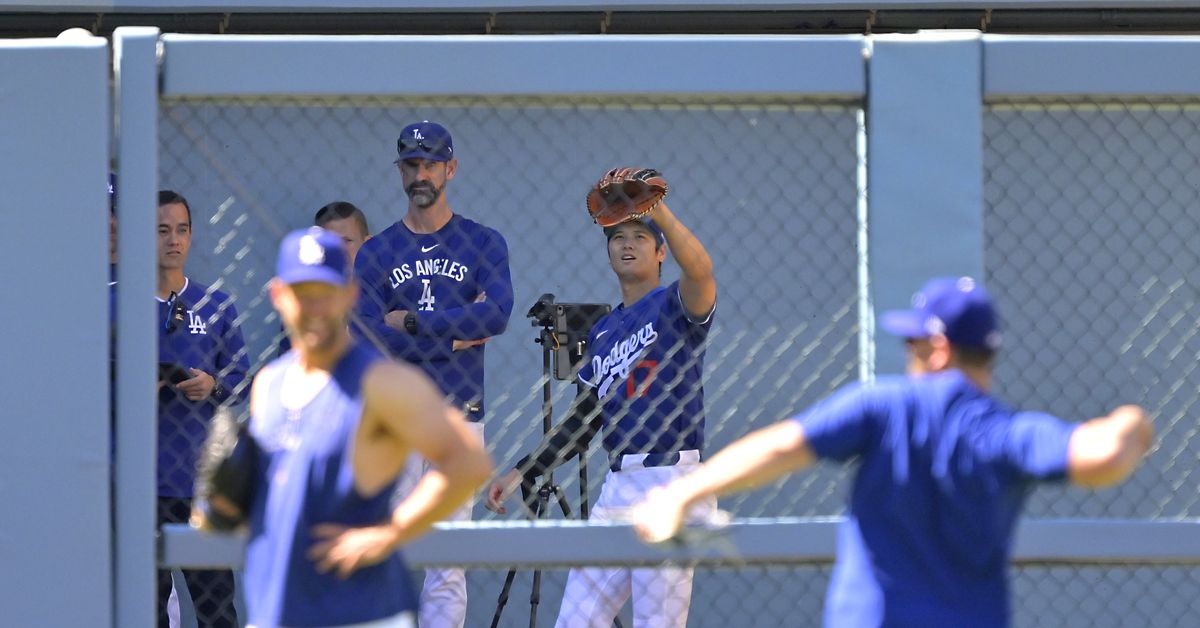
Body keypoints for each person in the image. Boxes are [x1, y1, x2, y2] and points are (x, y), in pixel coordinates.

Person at [633, 276, 1155, 628]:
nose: (907, 355)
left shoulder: (881, 405)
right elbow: (1104, 457)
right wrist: (1131, 422)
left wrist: (683, 494)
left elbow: (780, 446)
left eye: (912, 344)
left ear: (939, 349)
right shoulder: (1006, 431)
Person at [196, 227, 492, 628]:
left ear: (350, 295)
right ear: (278, 296)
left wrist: (389, 534)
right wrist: (226, 509)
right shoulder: (269, 385)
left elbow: (469, 461)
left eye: (327, 291)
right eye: (303, 292)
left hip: (361, 613)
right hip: (278, 611)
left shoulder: (382, 381)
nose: (315, 306)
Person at [486, 202, 718, 628]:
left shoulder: (674, 303)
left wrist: (659, 211)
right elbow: (583, 421)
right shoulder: (604, 332)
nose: (627, 245)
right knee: (575, 621)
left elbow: (702, 273)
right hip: (618, 488)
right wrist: (522, 471)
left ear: (661, 251)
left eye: (640, 237)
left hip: (669, 479)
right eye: (618, 238)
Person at [353, 120, 513, 627]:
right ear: (400, 170)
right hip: (396, 421)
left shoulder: (483, 243)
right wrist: (454, 337)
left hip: (458, 418)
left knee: (447, 562)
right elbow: (368, 338)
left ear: (451, 168)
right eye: (411, 164)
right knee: (390, 547)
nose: (420, 174)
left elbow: (498, 315)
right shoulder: (376, 252)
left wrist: (417, 325)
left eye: (430, 164)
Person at [156, 189, 250, 628]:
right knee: (147, 608)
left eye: (181, 230)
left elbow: (242, 382)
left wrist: (212, 385)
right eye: (161, 230)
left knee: (216, 611)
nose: (173, 240)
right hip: (141, 484)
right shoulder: (118, 300)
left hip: (200, 483)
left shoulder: (217, 305)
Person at [278, 201, 371, 355]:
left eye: (346, 241)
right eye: (329, 242)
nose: (338, 249)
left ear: (368, 244)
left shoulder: (382, 293)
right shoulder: (303, 299)